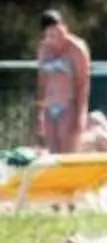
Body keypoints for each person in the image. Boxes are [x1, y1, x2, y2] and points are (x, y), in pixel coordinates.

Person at [33, 12, 89, 154]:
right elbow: (42, 82)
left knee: (67, 156)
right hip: (50, 106)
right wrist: (40, 111)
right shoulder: (44, 49)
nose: (56, 39)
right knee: (53, 156)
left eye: (58, 33)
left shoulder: (76, 49)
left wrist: (81, 115)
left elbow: (83, 84)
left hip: (68, 105)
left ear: (64, 28)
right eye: (51, 36)